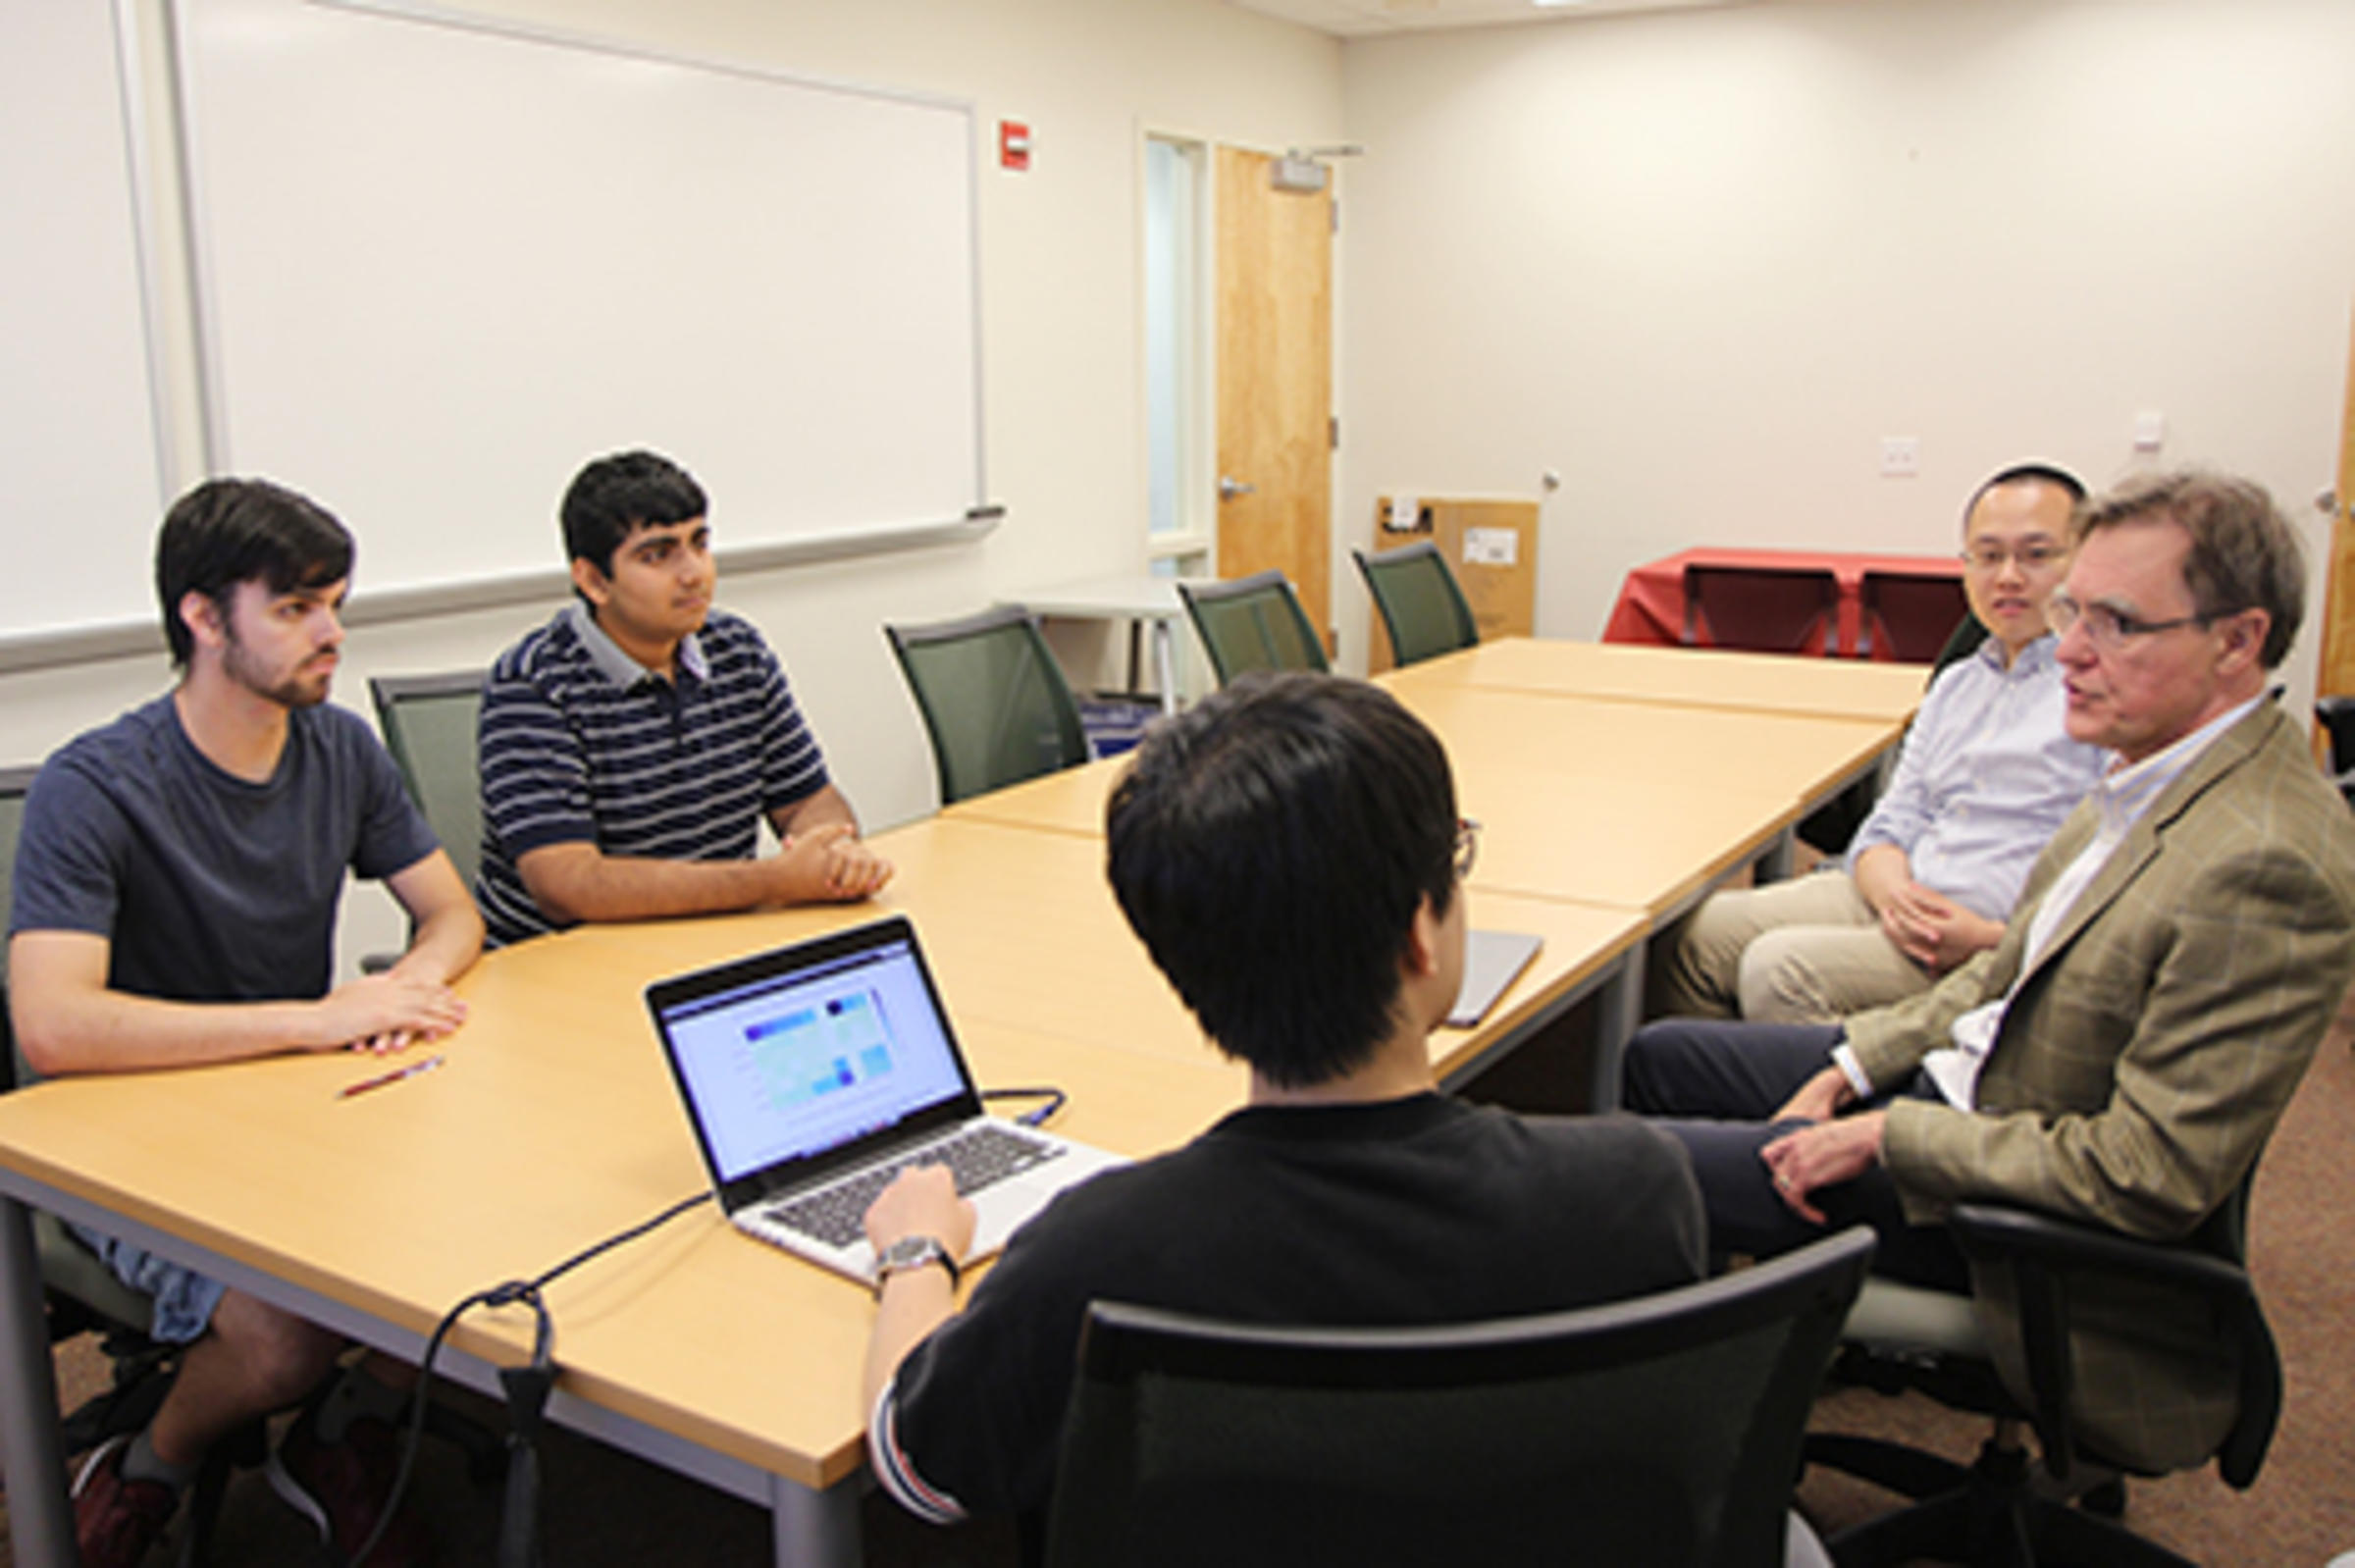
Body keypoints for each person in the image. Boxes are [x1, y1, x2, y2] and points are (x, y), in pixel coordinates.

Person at [1623, 469, 2355, 1475]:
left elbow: (2148, 1173)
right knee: (1664, 1058)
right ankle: (1739, 1398)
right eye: (2075, 613)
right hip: (1979, 1087)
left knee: (1638, 1174)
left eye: (2118, 621)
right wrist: (1848, 1066)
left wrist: (1887, 1131)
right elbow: (2008, 974)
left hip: (2009, 1211)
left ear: (2237, 639)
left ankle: (1686, 1465)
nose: (2074, 651)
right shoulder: (2151, 763)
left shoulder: (2263, 860)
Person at [859, 671, 1706, 1533]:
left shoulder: (1094, 1258)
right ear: (1421, 931)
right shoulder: (1633, 1191)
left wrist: (918, 1251)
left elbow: (917, 1467)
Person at [8, 478, 484, 1568]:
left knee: (504, 1224)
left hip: (290, 1093)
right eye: (297, 607)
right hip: (120, 1132)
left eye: (335, 601)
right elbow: (52, 1026)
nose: (332, 632)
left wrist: (410, 981)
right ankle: (145, 1466)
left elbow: (453, 910)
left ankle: (335, 1428)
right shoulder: (97, 783)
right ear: (203, 617)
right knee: (281, 1335)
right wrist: (317, 1018)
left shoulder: (339, 748)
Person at [1654, 464, 2107, 1022]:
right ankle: (1715, 1095)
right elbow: (1894, 815)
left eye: (2036, 555)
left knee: (1779, 969)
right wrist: (1891, 890)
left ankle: (1840, 1103)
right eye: (1988, 557)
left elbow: (2112, 869)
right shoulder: (1958, 684)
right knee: (1695, 935)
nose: (2008, 577)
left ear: (2085, 563)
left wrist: (1994, 938)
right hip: (1899, 893)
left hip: (1986, 935)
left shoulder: (2100, 692)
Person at [474, 450, 891, 946]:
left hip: (710, 940)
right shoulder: (533, 686)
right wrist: (775, 881)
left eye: (700, 543)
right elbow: (570, 887)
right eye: (657, 555)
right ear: (592, 580)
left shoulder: (737, 649)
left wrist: (833, 850)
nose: (693, 573)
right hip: (563, 961)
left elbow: (809, 799)